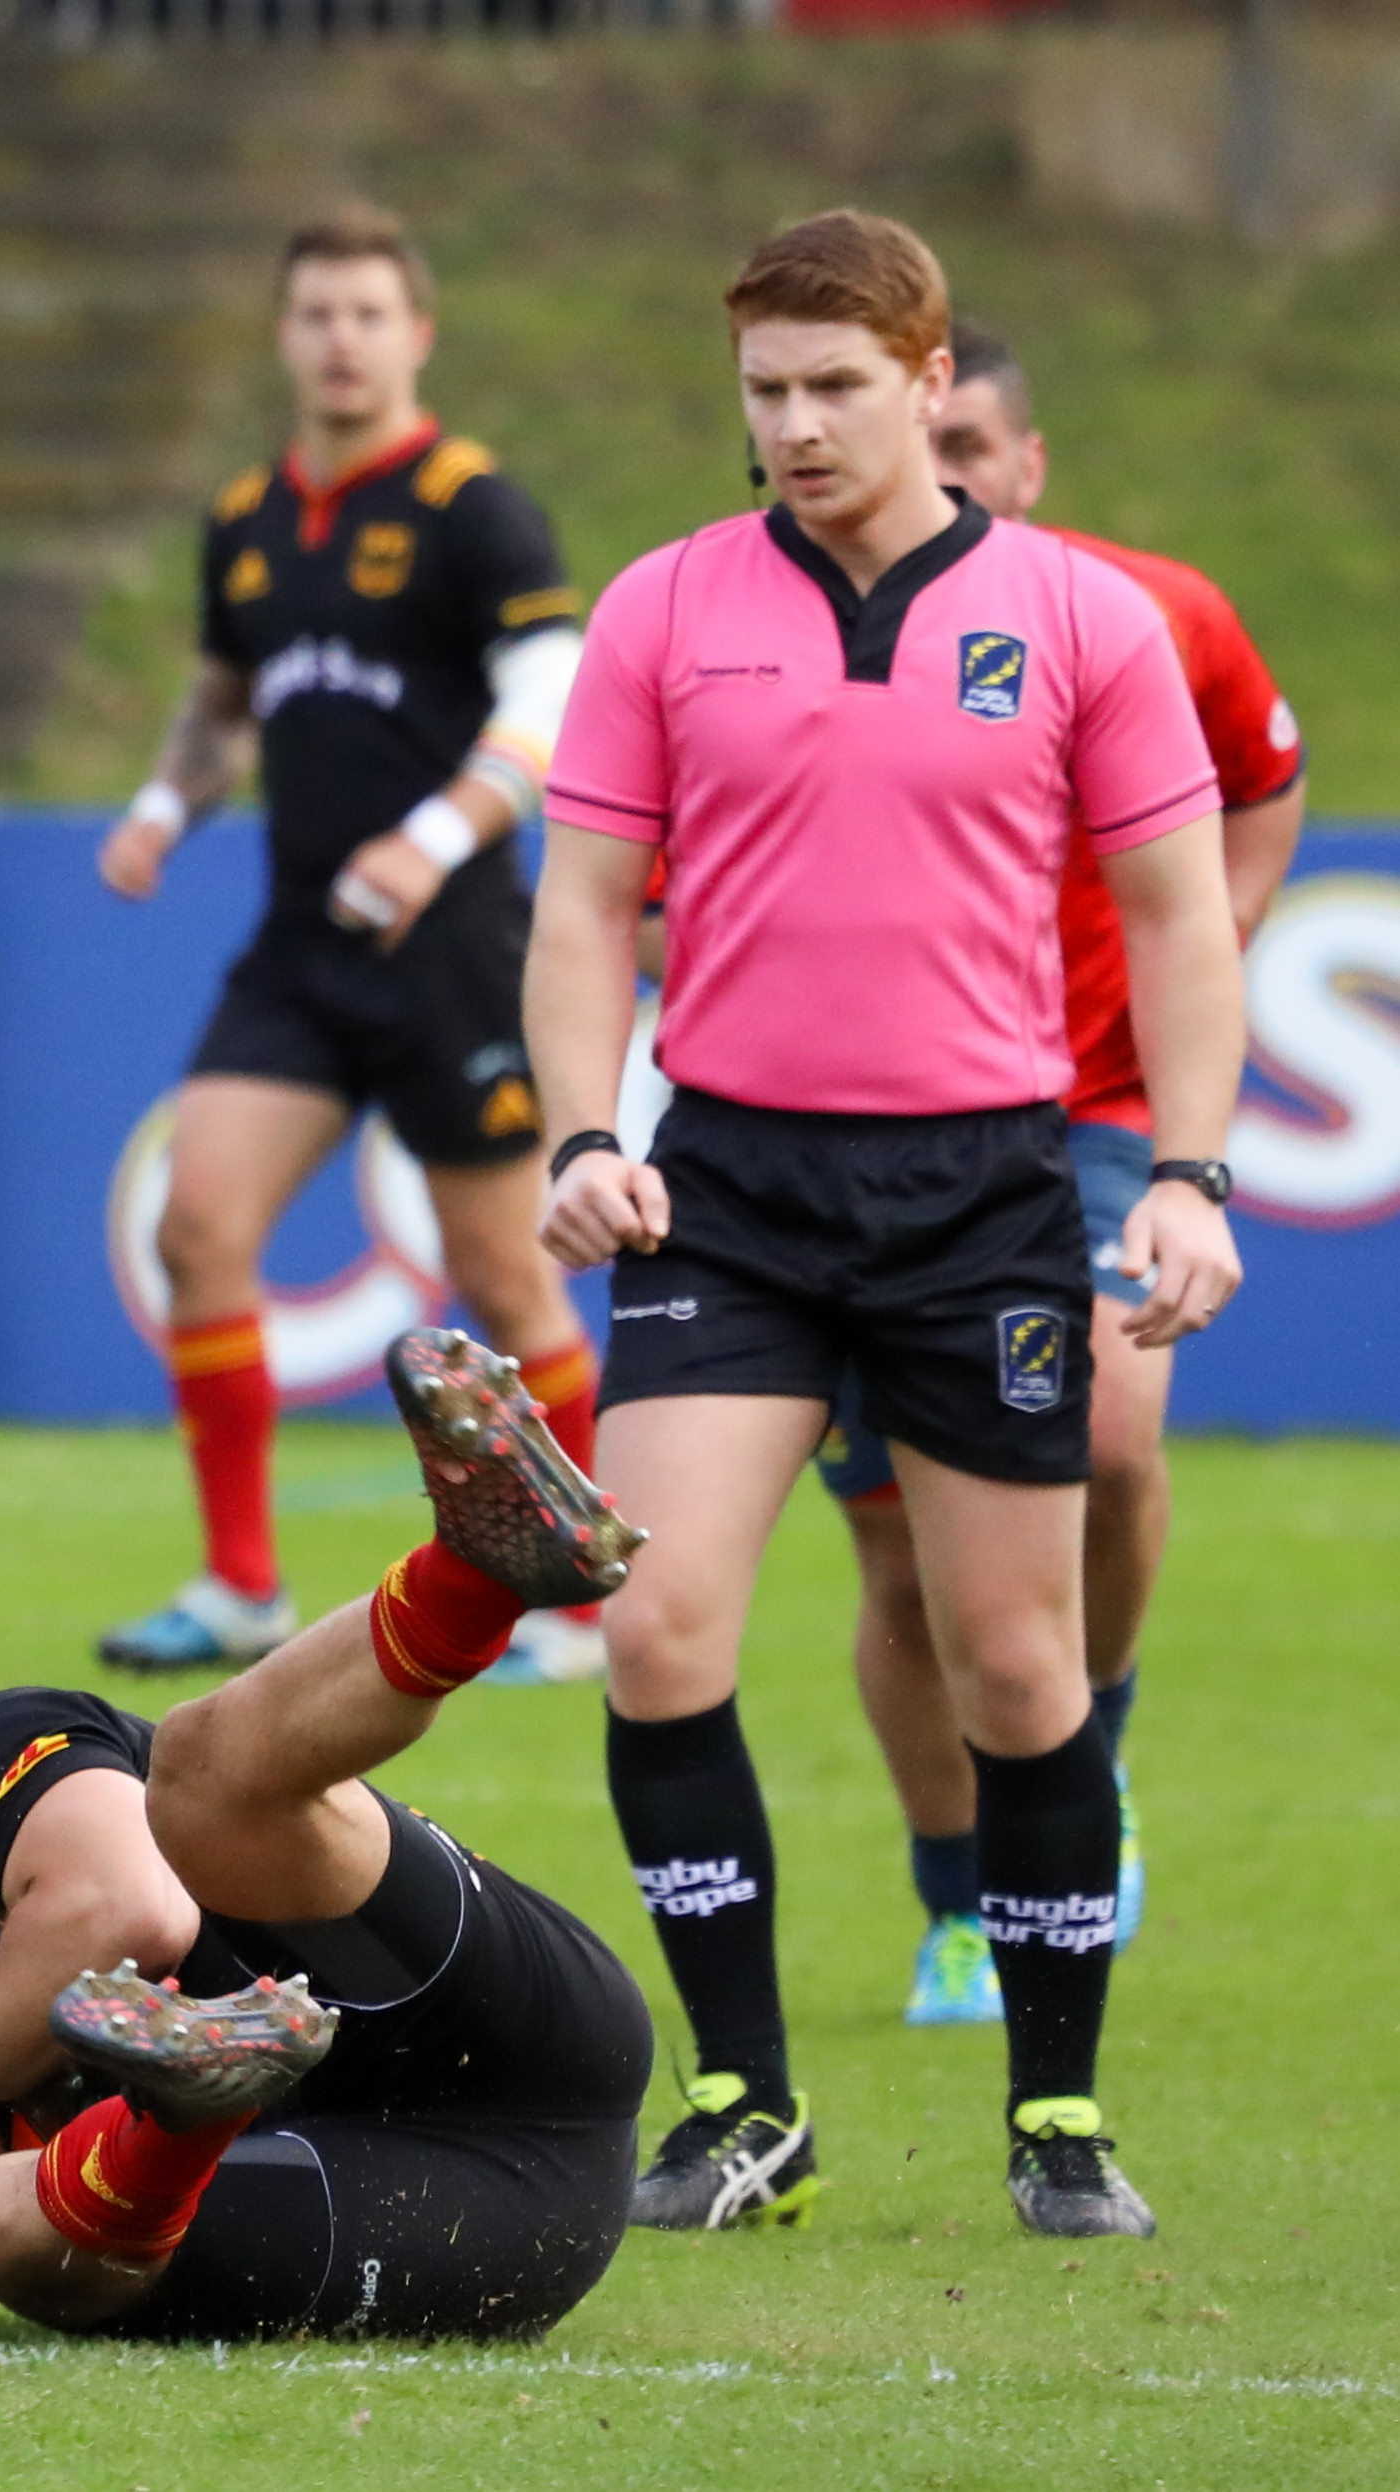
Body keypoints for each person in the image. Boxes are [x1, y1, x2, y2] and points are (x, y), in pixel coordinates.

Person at [531, 213, 1246, 2240]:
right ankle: (744, 2102)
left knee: (1015, 1668)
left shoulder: (1081, 615)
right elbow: (582, 908)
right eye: (763, 389)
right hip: (731, 1189)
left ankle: (1057, 2117)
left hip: (981, 1194)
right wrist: (582, 1131)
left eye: (835, 386)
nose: (794, 426)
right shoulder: (664, 605)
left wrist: (1188, 1171)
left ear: (933, 383)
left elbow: (1180, 915)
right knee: (654, 1625)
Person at [0, 1328, 652, 2340]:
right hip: (508, 2213)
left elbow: (130, 1907)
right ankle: (195, 2104)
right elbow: (53, 2267)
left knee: (194, 1781)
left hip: (485, 2027)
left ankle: (479, 1575)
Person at [813, 322, 1306, 2026]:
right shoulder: (790, 628)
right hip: (850, 1137)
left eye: (966, 446)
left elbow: (1261, 778)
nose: (936, 475)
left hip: (1084, 1103)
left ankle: (1088, 1745)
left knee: (1101, 1433)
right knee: (898, 1557)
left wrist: (1218, 931)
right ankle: (958, 1902)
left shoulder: (1149, 612)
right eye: (919, 443)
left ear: (1024, 467)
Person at [90, 205, 601, 1683]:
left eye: (369, 313)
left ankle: (577, 1601)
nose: (340, 339)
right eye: (316, 312)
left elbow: (552, 696)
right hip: (301, 948)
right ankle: (240, 1585)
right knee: (197, 1228)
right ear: (283, 333)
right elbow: (221, 705)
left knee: (501, 1279)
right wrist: (160, 807)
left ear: (416, 333)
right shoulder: (247, 518)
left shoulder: (472, 507)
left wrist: (434, 836)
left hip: (453, 950)